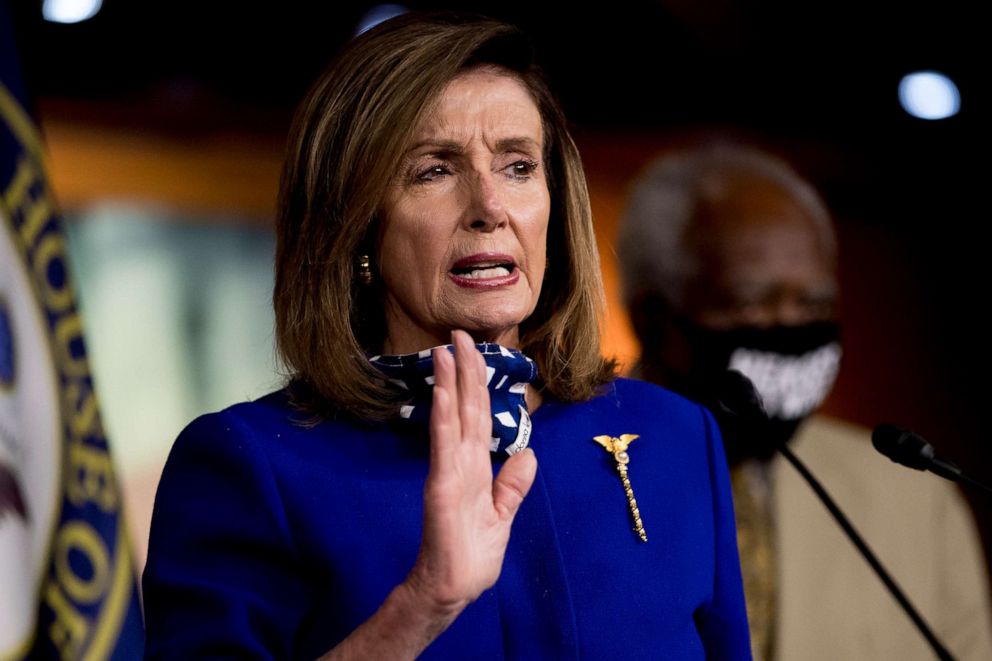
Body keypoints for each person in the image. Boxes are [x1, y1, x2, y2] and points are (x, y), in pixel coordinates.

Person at [141, 14, 751, 659]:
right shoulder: (251, 465)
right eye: (434, 170)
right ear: (354, 223)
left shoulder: (673, 436)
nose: (490, 206)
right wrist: (422, 605)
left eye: (518, 166)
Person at [618, 143, 992, 661]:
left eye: (813, 303)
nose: (789, 326)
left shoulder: (915, 499)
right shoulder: (553, 472)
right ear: (654, 320)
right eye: (751, 302)